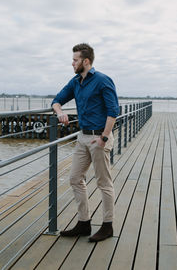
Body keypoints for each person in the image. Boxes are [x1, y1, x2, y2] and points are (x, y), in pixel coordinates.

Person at [52, 43, 119, 242]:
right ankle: (83, 223)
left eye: (75, 59)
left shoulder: (102, 80)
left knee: (103, 182)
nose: (72, 63)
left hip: (99, 137)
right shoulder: (75, 82)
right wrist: (60, 112)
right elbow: (56, 101)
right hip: (82, 138)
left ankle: (107, 226)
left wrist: (104, 137)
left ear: (86, 61)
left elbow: (113, 110)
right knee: (74, 178)